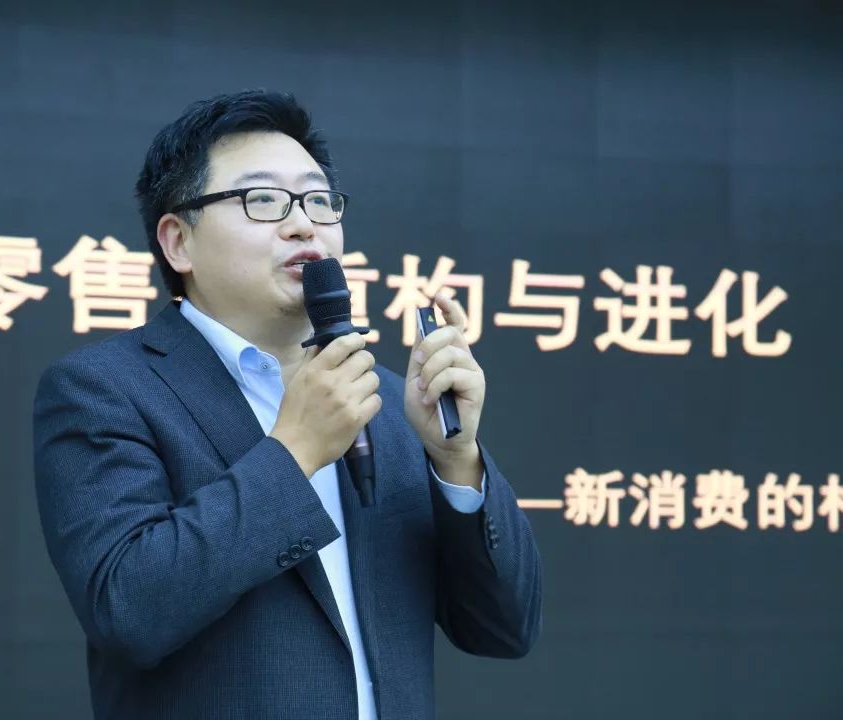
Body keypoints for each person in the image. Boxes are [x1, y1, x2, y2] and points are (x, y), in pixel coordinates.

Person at [33, 89, 542, 720]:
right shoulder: (105, 388)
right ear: (178, 241)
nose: (304, 224)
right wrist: (296, 450)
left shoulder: (384, 398)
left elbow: (504, 628)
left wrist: (455, 459)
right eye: (263, 199)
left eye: (319, 201)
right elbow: (129, 609)